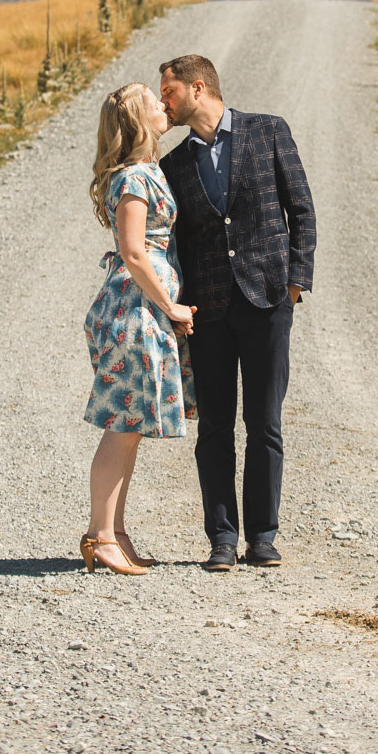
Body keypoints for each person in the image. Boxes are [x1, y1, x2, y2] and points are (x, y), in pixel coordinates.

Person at [157, 55, 316, 571]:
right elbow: (177, 242)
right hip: (209, 311)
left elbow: (302, 209)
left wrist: (296, 282)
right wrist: (177, 307)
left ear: (198, 88)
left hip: (268, 300)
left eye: (170, 92)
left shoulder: (268, 131)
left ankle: (263, 536)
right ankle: (222, 538)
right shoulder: (173, 165)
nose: (165, 102)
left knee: (265, 423)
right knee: (216, 429)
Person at [79, 83, 197, 575]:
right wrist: (170, 305)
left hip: (144, 307)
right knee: (122, 426)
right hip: (137, 308)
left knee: (130, 427)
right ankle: (100, 535)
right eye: (155, 102)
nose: (164, 106)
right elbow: (133, 250)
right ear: (136, 119)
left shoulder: (147, 171)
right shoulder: (132, 178)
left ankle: (115, 534)